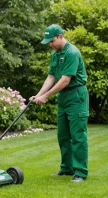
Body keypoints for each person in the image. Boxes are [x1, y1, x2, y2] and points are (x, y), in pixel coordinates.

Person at [30, 24, 89, 182]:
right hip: (63, 97)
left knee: (77, 135)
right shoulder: (55, 55)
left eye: (52, 41)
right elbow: (51, 77)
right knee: (63, 135)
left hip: (76, 96)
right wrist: (38, 95)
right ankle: (67, 168)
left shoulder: (72, 53)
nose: (50, 44)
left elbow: (65, 80)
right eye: (48, 42)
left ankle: (80, 172)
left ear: (61, 36)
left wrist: (46, 96)